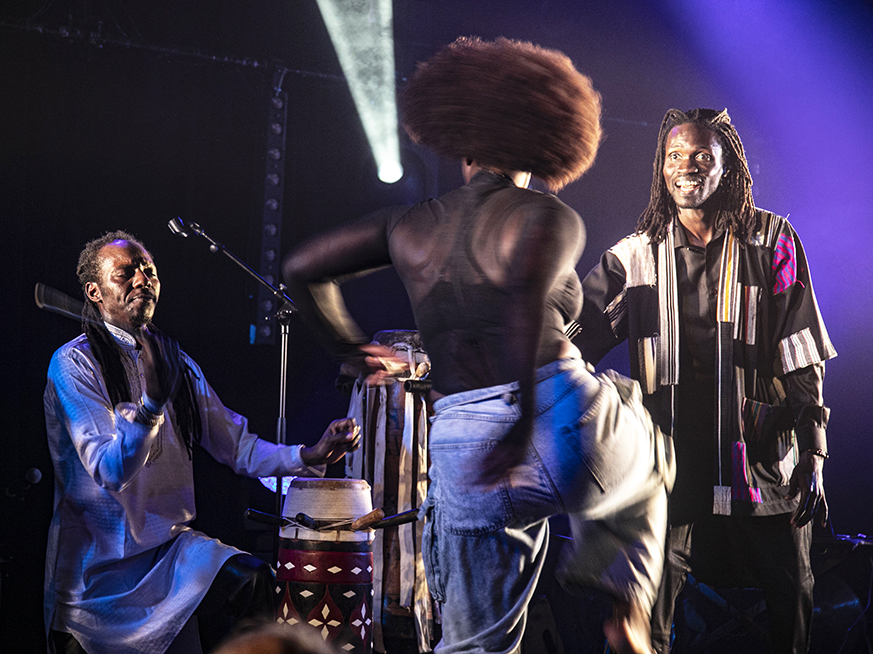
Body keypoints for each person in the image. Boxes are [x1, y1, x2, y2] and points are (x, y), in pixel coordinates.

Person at [282, 38, 673, 654]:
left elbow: (302, 267)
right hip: (559, 415)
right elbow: (521, 297)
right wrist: (520, 425)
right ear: (543, 142)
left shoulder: (406, 225)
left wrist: (350, 348)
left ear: (460, 142)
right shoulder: (549, 216)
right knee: (650, 458)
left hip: (463, 441)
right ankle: (628, 607)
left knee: (474, 645)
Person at [572, 108, 836, 653]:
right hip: (669, 471)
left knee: (792, 606)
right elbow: (573, 340)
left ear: (727, 167)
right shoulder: (635, 255)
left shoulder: (772, 241)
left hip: (762, 464)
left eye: (701, 157)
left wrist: (814, 449)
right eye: (675, 156)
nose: (687, 167)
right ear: (661, 169)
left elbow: (800, 348)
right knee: (645, 620)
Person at [43, 231, 361, 654]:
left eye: (149, 271)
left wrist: (310, 454)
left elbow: (237, 446)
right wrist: (154, 403)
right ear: (94, 293)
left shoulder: (177, 364)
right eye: (126, 273)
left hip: (169, 557)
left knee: (254, 581)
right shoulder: (73, 364)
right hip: (98, 576)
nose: (142, 279)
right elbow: (109, 470)